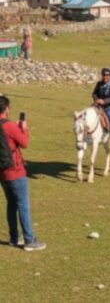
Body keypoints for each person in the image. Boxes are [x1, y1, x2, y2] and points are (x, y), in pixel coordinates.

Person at [0, 96, 44, 251]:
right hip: (16, 172)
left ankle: (13, 238)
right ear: (7, 109)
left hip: (2, 173)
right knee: (23, 206)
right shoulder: (10, 126)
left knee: (11, 205)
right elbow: (24, 143)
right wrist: (23, 127)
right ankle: (29, 240)